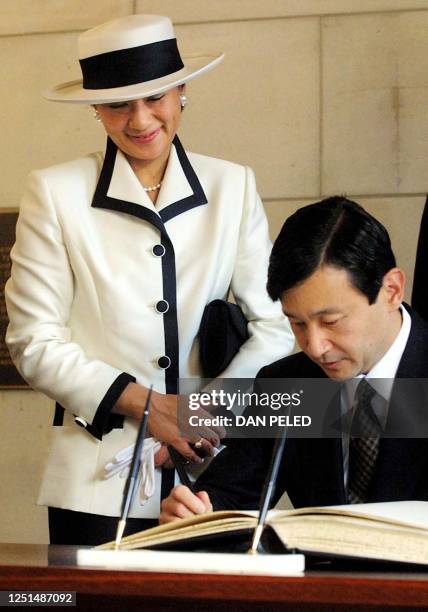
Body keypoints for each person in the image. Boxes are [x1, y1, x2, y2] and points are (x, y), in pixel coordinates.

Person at [5, 14, 294, 544]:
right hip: (93, 481)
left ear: (182, 90)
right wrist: (149, 406)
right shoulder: (54, 192)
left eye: (155, 96)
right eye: (118, 103)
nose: (140, 120)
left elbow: (276, 325)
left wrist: (205, 414)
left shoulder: (232, 186)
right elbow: (34, 341)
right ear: (94, 107)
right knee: (66, 605)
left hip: (213, 478)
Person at [160, 196, 428, 523]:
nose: (314, 347)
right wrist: (196, 510)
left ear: (391, 290)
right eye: (297, 323)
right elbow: (232, 492)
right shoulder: (290, 384)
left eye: (331, 321)